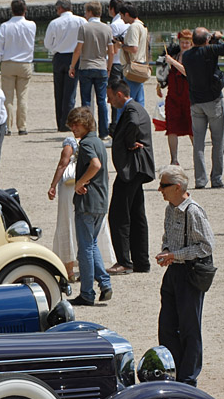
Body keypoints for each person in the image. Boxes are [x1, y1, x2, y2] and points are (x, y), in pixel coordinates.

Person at [155, 164, 214, 386]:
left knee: (190, 327)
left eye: (163, 186)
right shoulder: (170, 208)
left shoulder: (194, 211)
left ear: (178, 187)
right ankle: (172, 370)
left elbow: (207, 246)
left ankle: (188, 378)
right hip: (174, 271)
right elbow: (168, 235)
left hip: (190, 273)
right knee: (167, 326)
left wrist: (176, 255)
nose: (160, 190)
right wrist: (166, 250)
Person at [48, 133, 116, 280]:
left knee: (68, 223)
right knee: (91, 232)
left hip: (70, 186)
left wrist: (53, 185)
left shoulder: (70, 142)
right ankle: (92, 270)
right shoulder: (96, 142)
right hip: (91, 186)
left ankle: (70, 269)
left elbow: (62, 163)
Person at [106, 79, 156, 275]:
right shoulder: (137, 107)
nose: (109, 101)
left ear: (119, 95)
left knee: (118, 215)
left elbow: (133, 122)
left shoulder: (131, 110)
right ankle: (141, 262)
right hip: (137, 168)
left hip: (131, 168)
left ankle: (124, 262)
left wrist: (128, 142)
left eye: (110, 97)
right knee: (137, 215)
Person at [180, 27, 224, 188]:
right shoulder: (210, 51)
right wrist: (222, 36)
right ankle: (216, 178)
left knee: (198, 143)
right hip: (213, 101)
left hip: (195, 103)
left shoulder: (187, 55)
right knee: (218, 141)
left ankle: (200, 179)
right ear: (206, 40)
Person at [66, 106, 112, 306]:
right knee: (91, 245)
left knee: (85, 248)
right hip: (100, 201)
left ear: (85, 124)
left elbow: (95, 165)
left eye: (76, 124)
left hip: (87, 202)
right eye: (71, 125)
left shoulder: (86, 144)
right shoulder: (98, 142)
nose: (73, 128)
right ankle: (104, 283)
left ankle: (87, 293)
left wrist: (79, 182)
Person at [0, 0, 36, 136]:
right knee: (23, 97)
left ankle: (7, 127)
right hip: (25, 63)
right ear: (25, 10)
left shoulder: (5, 26)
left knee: (7, 97)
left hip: (8, 63)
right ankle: (22, 127)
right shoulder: (31, 25)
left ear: (11, 10)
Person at [70, 0, 114, 138]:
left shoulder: (84, 28)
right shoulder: (107, 28)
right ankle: (104, 131)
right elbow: (111, 51)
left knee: (86, 101)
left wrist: (72, 66)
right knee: (102, 101)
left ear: (90, 12)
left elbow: (78, 49)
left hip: (86, 66)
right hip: (101, 66)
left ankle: (88, 130)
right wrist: (109, 67)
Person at [45, 0, 86, 132]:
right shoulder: (81, 21)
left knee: (59, 91)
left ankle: (60, 122)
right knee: (70, 91)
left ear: (60, 8)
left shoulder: (54, 23)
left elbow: (47, 43)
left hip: (59, 56)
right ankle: (67, 122)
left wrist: (56, 47)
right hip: (74, 56)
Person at [158, 29, 194, 166]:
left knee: (192, 129)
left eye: (187, 42)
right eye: (182, 42)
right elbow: (164, 73)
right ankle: (174, 158)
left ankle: (197, 156)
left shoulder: (192, 56)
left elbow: (188, 73)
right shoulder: (174, 55)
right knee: (171, 128)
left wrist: (172, 62)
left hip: (189, 97)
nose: (184, 45)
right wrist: (159, 83)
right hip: (173, 96)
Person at [117, 3, 148, 107]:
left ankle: (125, 122)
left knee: (126, 101)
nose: (121, 19)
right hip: (141, 65)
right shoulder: (142, 25)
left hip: (133, 68)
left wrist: (121, 45)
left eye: (121, 15)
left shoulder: (134, 27)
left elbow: (133, 48)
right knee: (139, 100)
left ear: (126, 14)